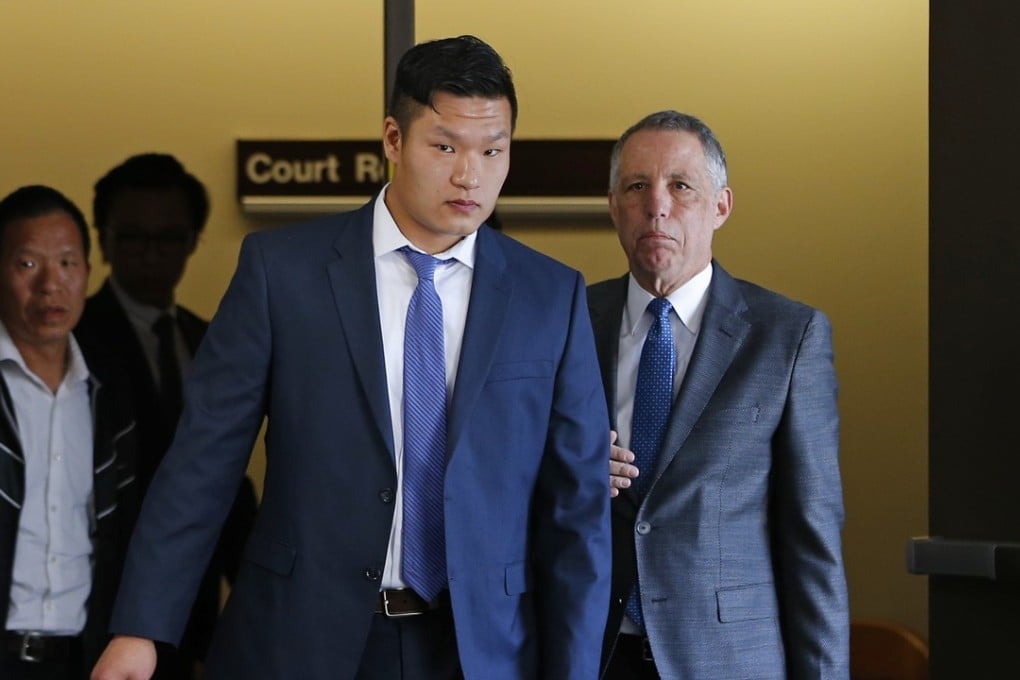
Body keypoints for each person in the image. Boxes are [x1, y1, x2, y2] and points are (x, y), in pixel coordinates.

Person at [91, 35, 611, 680]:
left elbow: (577, 510)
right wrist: (142, 628)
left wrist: (577, 668)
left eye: (492, 150)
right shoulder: (282, 273)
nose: (469, 175)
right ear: (394, 139)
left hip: (481, 649)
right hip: (301, 637)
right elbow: (203, 461)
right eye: (444, 146)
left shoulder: (549, 294)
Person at [593, 111, 849, 678]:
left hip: (728, 659)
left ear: (721, 206)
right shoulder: (568, 322)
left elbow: (812, 541)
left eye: (681, 186)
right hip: (593, 654)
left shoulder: (787, 336)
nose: (656, 205)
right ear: (614, 205)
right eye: (637, 187)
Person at [73, 153, 257, 679]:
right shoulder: (73, 340)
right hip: (99, 612)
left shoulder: (209, 338)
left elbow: (225, 478)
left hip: (195, 614)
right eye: (132, 238)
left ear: (194, 240)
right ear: (103, 239)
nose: (150, 255)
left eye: (168, 238)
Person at [0, 185, 138, 679]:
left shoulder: (111, 394)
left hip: (86, 656)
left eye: (67, 263)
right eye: (27, 265)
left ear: (88, 270)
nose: (50, 286)